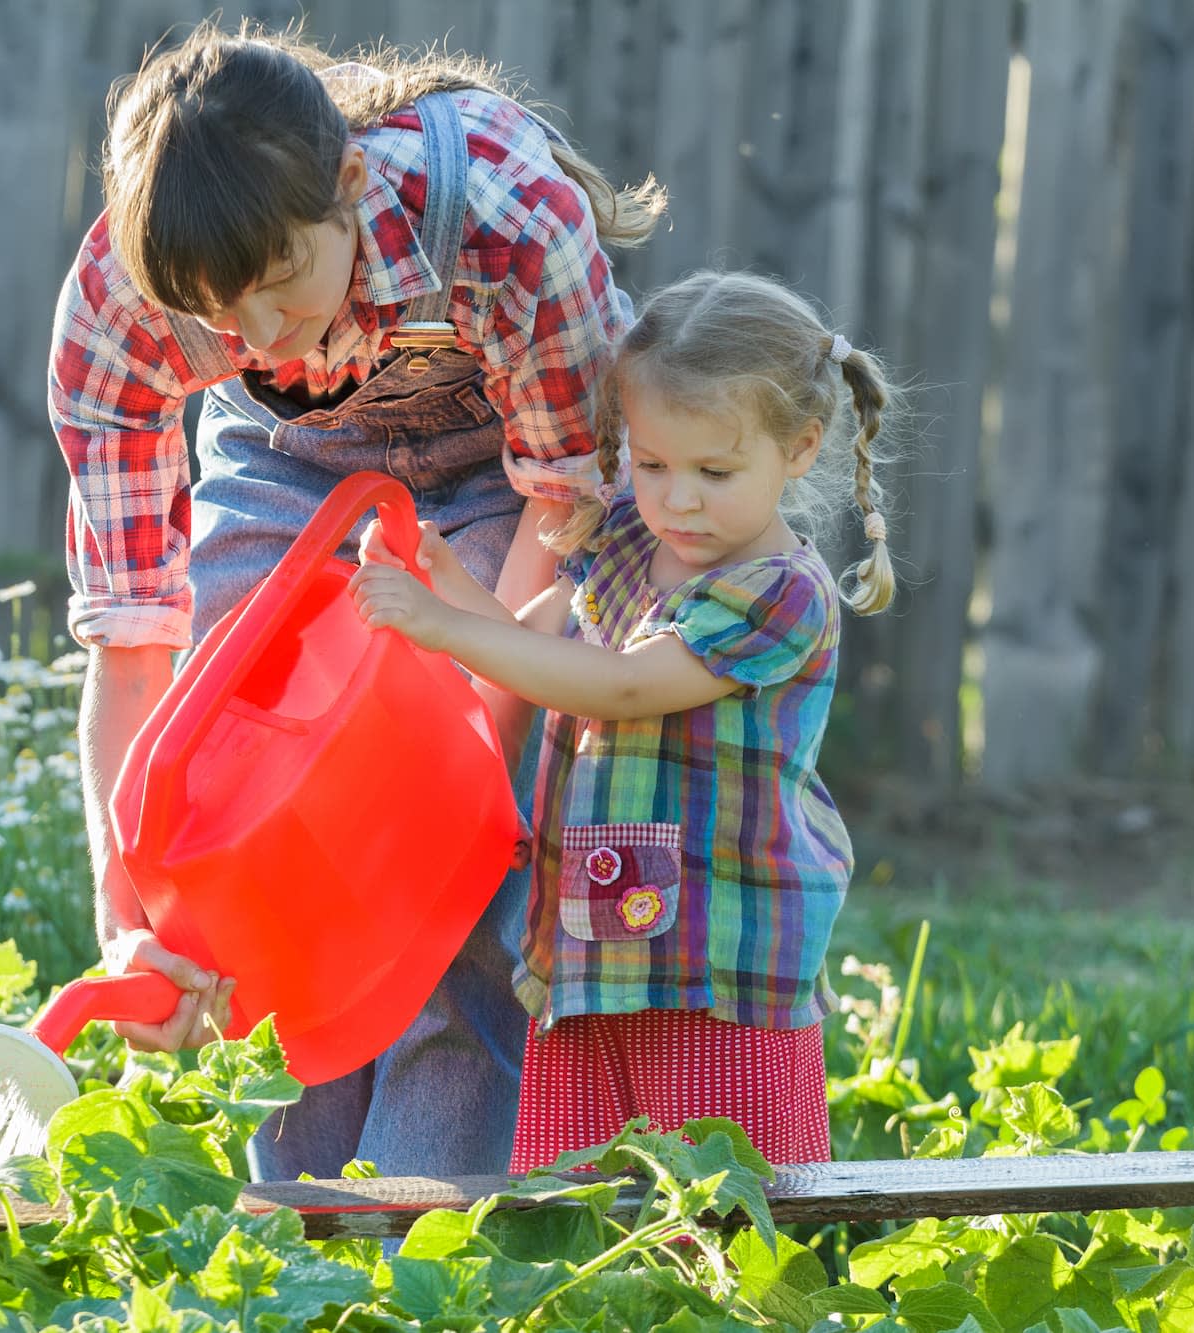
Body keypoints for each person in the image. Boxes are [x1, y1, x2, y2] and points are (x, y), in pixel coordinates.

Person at [48, 21, 662, 1180]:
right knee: (239, 827)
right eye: (219, 317)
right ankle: (290, 1233)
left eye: (279, 284)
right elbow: (135, 648)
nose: (259, 334)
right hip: (284, 458)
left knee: (458, 884)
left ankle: (411, 1244)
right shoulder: (117, 316)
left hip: (507, 472)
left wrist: (456, 766)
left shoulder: (503, 215)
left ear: (346, 185)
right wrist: (129, 913)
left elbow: (563, 505)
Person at [350, 269, 898, 1167]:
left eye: (714, 472)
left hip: (715, 980)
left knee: (718, 1223)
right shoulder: (631, 547)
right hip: (589, 960)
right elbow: (534, 644)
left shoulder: (780, 594)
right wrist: (444, 583)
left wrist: (443, 626)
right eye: (650, 464)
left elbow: (622, 686)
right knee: (577, 1213)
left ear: (800, 447)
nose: (677, 499)